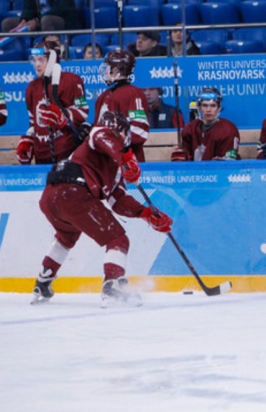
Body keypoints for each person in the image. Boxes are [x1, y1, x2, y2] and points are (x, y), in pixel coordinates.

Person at [31, 110, 173, 307]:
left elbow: (119, 201)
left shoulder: (114, 166)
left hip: (51, 199)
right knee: (117, 239)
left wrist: (145, 213)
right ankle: (112, 286)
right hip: (73, 194)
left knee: (67, 237)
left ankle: (43, 281)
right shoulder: (99, 135)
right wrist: (125, 158)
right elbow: (103, 136)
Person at [16, 40, 88, 165]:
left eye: (41, 60)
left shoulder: (71, 81)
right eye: (34, 60)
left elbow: (82, 113)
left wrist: (62, 116)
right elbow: (34, 122)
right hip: (41, 153)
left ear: (53, 60)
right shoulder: (31, 88)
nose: (36, 64)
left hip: (66, 151)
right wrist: (28, 140)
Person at [94, 50, 151, 161]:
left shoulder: (133, 93)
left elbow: (139, 131)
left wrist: (110, 141)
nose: (105, 72)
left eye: (107, 67)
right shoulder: (104, 95)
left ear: (115, 69)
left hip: (127, 161)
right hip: (105, 162)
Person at [171, 88, 239, 161]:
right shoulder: (190, 128)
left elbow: (225, 165)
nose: (208, 110)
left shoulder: (228, 130)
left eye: (213, 106)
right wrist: (182, 158)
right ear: (199, 108)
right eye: (205, 105)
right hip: (196, 172)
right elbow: (187, 158)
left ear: (219, 108)